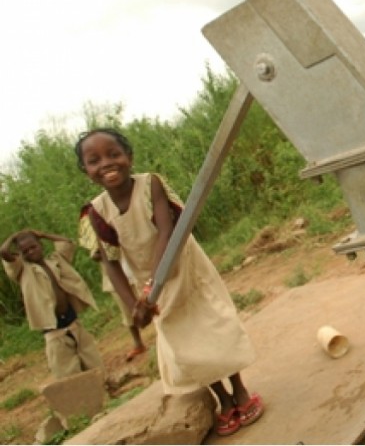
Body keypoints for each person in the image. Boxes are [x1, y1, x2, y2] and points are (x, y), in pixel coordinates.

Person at [75, 127, 264, 437]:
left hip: (185, 268)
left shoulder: (151, 185)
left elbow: (166, 231)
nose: (106, 163)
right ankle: (223, 398)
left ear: (129, 156)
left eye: (113, 154)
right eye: (94, 160)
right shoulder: (95, 212)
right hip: (149, 286)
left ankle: (240, 389)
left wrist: (154, 284)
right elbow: (110, 263)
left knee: (212, 326)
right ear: (86, 170)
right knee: (183, 341)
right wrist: (135, 304)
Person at [1, 229, 104, 379]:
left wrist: (43, 234)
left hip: (72, 320)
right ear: (21, 255)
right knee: (68, 375)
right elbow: (3, 252)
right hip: (53, 330)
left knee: (95, 365)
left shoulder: (56, 260)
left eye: (33, 247)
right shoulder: (23, 271)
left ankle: (103, 386)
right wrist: (13, 237)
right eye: (25, 251)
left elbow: (66, 242)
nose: (31, 252)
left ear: (41, 245)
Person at [87, 246, 147, 362]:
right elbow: (95, 255)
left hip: (134, 269)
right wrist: (105, 252)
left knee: (148, 301)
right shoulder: (96, 237)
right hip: (116, 277)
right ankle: (138, 343)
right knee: (127, 312)